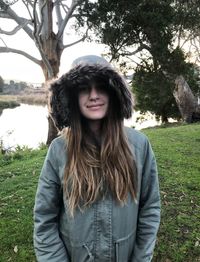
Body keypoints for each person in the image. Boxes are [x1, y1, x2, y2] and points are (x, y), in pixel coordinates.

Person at [33, 55, 161, 262]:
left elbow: (150, 208)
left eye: (101, 86)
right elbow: (44, 218)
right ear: (72, 96)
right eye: (84, 88)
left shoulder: (139, 145)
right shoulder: (59, 150)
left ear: (113, 93)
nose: (93, 95)